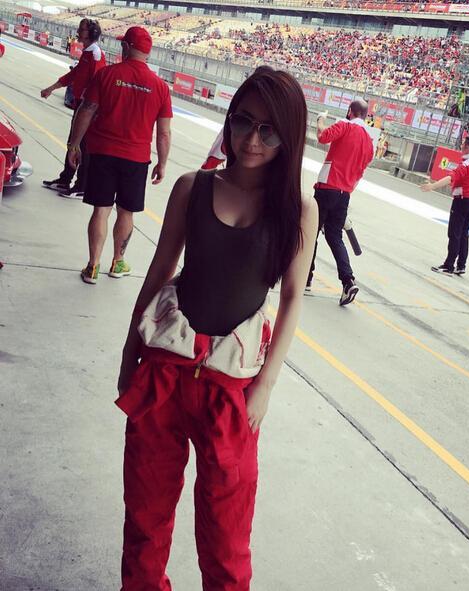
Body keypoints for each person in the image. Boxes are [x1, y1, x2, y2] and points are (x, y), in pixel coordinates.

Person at [115, 67, 317, 591]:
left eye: (269, 130)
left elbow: (292, 298)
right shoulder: (193, 187)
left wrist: (265, 385)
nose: (252, 140)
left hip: (232, 389)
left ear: (289, 137)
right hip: (164, 373)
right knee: (145, 519)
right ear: (228, 122)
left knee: (227, 538)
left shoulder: (299, 211)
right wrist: (129, 353)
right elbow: (159, 271)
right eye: (243, 122)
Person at [66, 26, 172, 285]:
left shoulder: (107, 75)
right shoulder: (160, 87)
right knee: (126, 213)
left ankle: (93, 266)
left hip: (102, 153)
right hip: (136, 159)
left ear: (127, 47)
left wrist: (74, 145)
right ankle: (118, 262)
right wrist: (162, 163)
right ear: (148, 53)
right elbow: (164, 132)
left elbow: (86, 110)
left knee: (101, 210)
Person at [307, 99, 373, 306]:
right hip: (345, 193)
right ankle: (347, 280)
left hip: (327, 187)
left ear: (350, 111)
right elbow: (362, 170)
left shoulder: (344, 125)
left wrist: (320, 120)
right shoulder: (369, 141)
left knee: (311, 231)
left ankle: (306, 276)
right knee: (335, 237)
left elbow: (322, 137)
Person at [41, 19, 105, 199]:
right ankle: (65, 179)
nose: (78, 32)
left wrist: (89, 109)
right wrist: (51, 88)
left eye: (82, 29)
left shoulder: (96, 55)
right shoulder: (87, 53)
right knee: (73, 143)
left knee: (82, 146)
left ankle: (81, 186)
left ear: (91, 33)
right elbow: (73, 75)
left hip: (87, 110)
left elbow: (98, 84)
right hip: (80, 106)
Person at [421, 136, 469, 276]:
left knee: (454, 233)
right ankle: (461, 265)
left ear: (467, 147)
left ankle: (448, 265)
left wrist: (432, 186)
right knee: (464, 233)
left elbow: (451, 177)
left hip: (462, 201)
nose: (461, 146)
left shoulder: (466, 165)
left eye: (462, 144)